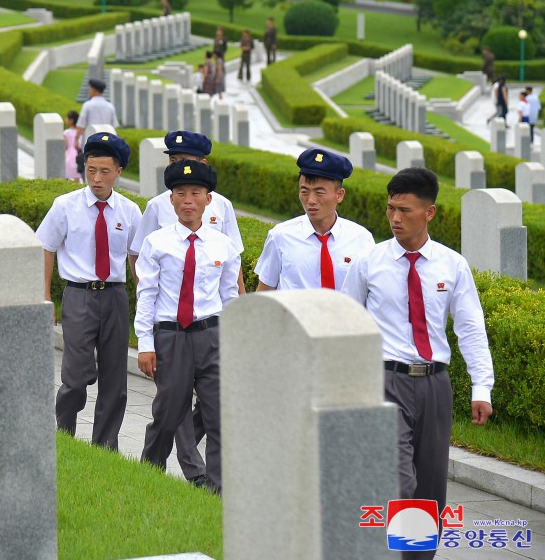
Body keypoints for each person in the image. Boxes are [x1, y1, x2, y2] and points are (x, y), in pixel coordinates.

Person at [341, 168, 494, 560]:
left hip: (434, 385)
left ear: (429, 213)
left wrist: (481, 387)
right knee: (398, 479)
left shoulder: (452, 265)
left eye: (405, 210)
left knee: (429, 489)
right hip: (384, 382)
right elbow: (344, 323)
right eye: (390, 208)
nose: (394, 218)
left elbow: (470, 328)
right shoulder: (369, 262)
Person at [129, 130, 245, 486]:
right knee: (167, 415)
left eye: (195, 194)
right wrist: (145, 344)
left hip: (211, 336)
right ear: (172, 199)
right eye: (180, 194)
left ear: (208, 200)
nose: (188, 201)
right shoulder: (157, 243)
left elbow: (231, 297)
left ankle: (218, 489)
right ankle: (150, 475)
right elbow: (146, 294)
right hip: (171, 338)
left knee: (218, 416)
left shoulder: (222, 245)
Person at [36, 132, 141, 450]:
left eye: (104, 171)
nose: (96, 178)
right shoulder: (65, 206)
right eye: (91, 170)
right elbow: (45, 248)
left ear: (119, 171)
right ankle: (64, 432)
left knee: (115, 378)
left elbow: (137, 262)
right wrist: (44, 297)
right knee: (77, 375)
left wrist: (149, 303)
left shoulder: (130, 212)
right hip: (79, 295)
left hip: (115, 296)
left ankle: (105, 445)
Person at [255, 148, 374, 292]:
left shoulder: (361, 239)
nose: (311, 200)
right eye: (304, 191)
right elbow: (265, 292)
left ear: (339, 195)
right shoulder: (280, 236)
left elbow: (370, 293)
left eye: (319, 193)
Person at [75, 79, 119, 148]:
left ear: (94, 90)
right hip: (106, 142)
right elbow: (114, 127)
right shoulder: (110, 106)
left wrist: (76, 139)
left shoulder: (87, 105)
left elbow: (81, 125)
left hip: (91, 141)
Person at [62, 110, 80, 181]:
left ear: (71, 120)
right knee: (77, 177)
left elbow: (66, 146)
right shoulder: (79, 132)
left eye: (67, 118)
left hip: (69, 155)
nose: (65, 120)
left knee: (66, 175)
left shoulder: (66, 133)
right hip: (78, 154)